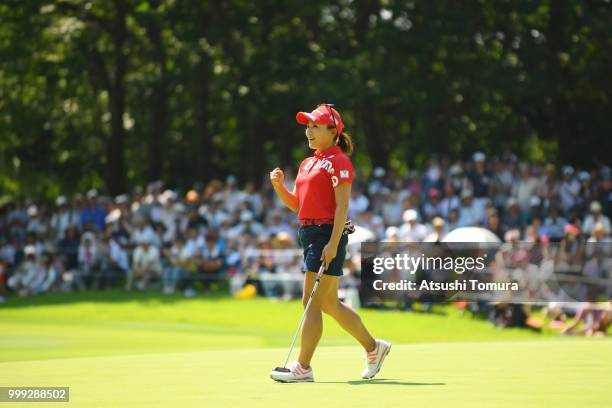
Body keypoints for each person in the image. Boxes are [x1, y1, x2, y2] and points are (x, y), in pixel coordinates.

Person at [268, 104, 391, 383]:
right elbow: (299, 206)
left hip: (327, 234)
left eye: (315, 126)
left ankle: (303, 367)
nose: (309, 131)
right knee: (329, 304)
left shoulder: (340, 161)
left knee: (309, 301)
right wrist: (279, 187)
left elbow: (342, 206)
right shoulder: (307, 163)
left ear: (333, 131)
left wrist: (334, 242)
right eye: (307, 126)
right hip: (309, 233)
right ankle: (374, 349)